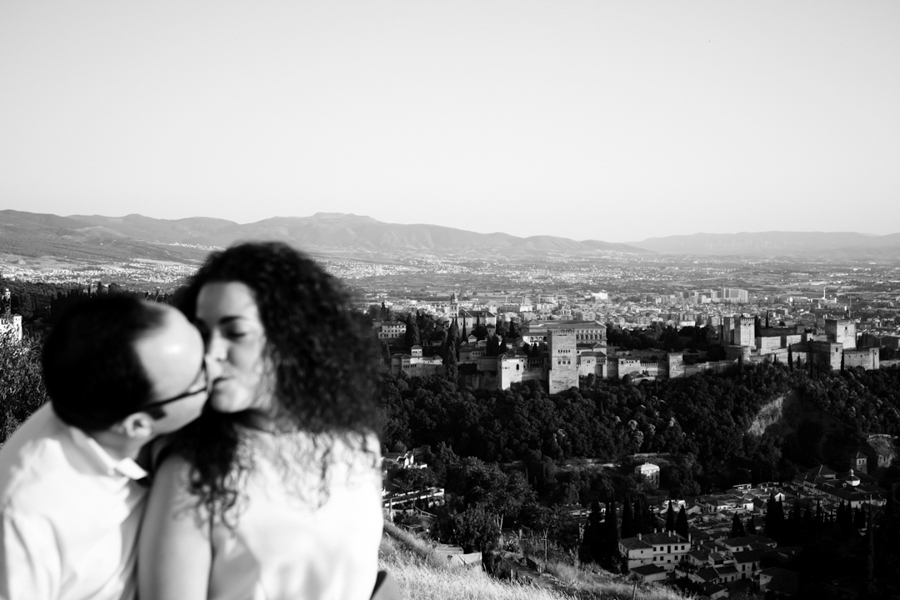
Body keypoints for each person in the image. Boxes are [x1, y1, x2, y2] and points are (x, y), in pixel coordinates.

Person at [139, 242, 386, 600]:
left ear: (288, 338)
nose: (210, 353)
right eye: (202, 333)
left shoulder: (359, 448)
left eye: (235, 333)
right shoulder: (194, 472)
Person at [0, 295, 213, 600]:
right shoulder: (26, 519)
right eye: (200, 377)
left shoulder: (98, 393)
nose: (218, 363)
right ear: (138, 425)